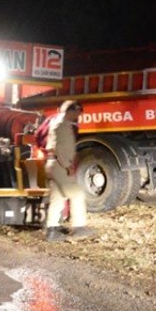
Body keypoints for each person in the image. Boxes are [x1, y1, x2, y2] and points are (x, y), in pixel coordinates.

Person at [44, 100, 93, 241]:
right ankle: (79, 227)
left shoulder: (59, 123)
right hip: (60, 165)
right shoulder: (61, 126)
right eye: (77, 112)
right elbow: (58, 149)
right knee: (77, 194)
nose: (78, 115)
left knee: (58, 197)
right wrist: (68, 166)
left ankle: (52, 230)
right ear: (71, 111)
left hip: (54, 164)